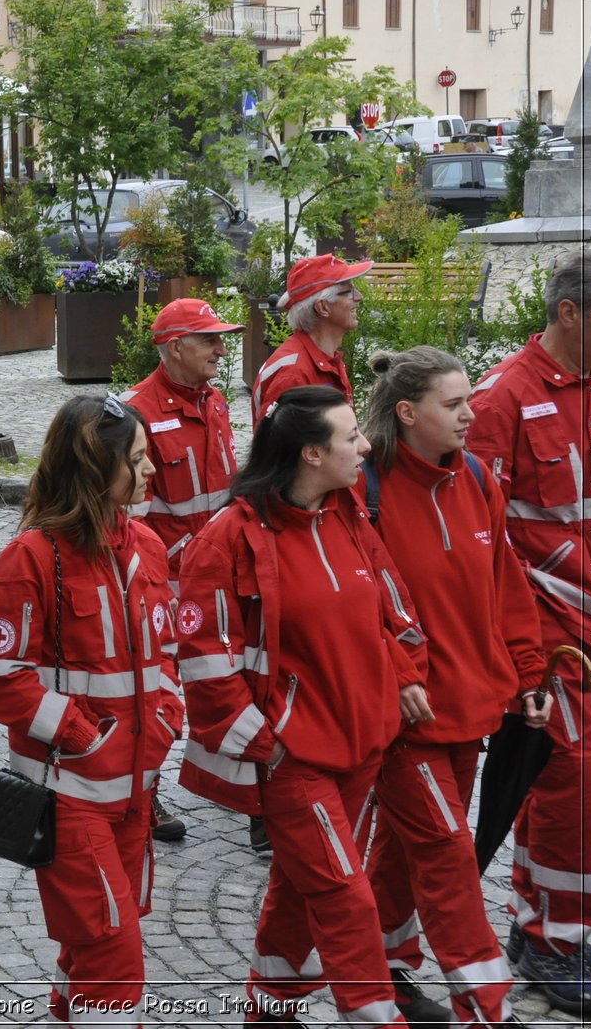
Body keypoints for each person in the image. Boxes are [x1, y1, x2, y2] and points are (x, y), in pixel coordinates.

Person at [177, 385, 427, 1028]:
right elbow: (205, 657)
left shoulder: (347, 512)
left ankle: (270, 1007)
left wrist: (401, 681)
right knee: (346, 895)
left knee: (302, 884)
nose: (367, 446)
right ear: (311, 454)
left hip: (363, 744)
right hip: (293, 757)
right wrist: (267, 740)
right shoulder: (229, 537)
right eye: (352, 438)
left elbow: (392, 609)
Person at [0, 392, 185, 1025]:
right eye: (137, 460)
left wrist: (168, 710)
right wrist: (81, 736)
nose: (150, 472)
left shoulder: (147, 544)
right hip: (68, 793)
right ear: (95, 468)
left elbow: (166, 646)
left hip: (137, 788)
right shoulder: (31, 558)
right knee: (114, 949)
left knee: (92, 936)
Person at [353, 346, 550, 1027]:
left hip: (474, 705)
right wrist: (400, 676)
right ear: (408, 413)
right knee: (446, 855)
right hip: (403, 715)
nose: (471, 413)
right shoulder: (364, 489)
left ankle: (381, 964)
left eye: (468, 400)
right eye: (454, 403)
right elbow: (353, 608)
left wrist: (529, 674)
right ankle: (486, 1008)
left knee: (408, 845)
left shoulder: (473, 476)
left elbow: (505, 585)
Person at [468, 247, 591, 1014]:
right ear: (570, 314)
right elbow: (474, 533)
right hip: (548, 641)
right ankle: (555, 945)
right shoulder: (501, 399)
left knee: (561, 783)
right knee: (573, 785)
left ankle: (537, 924)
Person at [122, 297, 244, 846]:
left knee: (235, 682)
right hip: (164, 586)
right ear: (175, 348)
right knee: (158, 695)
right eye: (211, 340)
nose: (222, 349)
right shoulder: (132, 413)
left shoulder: (215, 402)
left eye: (223, 338)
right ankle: (142, 794)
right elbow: (125, 518)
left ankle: (248, 792)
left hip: (222, 580)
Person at [251, 254, 372, 423]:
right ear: (323, 307)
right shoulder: (293, 374)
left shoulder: (326, 358)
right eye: (349, 292)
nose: (359, 297)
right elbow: (279, 448)